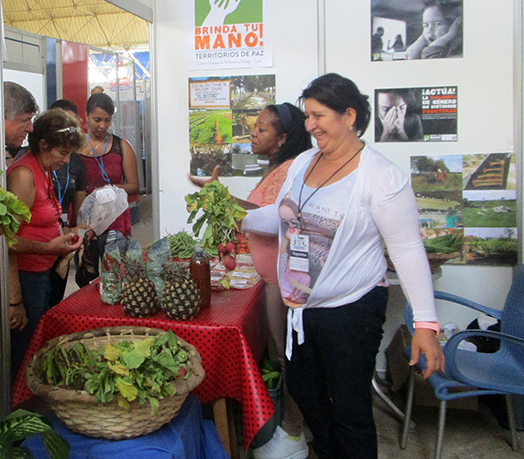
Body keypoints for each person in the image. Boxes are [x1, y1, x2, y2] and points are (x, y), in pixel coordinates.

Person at [240, 73, 444, 459]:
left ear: (349, 116)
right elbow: (281, 219)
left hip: (350, 311)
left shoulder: (381, 176)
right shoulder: (301, 163)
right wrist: (237, 215)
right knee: (306, 394)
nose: (309, 125)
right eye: (307, 116)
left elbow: (407, 250)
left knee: (350, 411)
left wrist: (428, 327)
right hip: (300, 310)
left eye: (318, 116)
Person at [190, 103, 312, 459]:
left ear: (283, 138)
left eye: (261, 129)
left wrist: (220, 198)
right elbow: (256, 212)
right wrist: (220, 195)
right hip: (269, 278)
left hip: (281, 279)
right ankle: (285, 427)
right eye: (254, 127)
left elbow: (270, 220)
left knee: (290, 358)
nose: (253, 134)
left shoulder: (289, 170)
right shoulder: (275, 167)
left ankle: (293, 433)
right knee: (278, 353)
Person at [6, 108, 84, 376]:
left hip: (41, 271)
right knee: (26, 347)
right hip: (28, 276)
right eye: (62, 153)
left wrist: (65, 235)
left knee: (37, 343)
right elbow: (5, 241)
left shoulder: (43, 168)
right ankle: (19, 407)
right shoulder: (23, 175)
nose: (66, 160)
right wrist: (47, 248)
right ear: (43, 145)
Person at [77, 92, 140, 286]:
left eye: (107, 120)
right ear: (85, 116)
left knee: (114, 275)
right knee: (85, 276)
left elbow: (134, 185)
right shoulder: (75, 147)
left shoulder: (122, 147)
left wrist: (108, 190)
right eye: (97, 120)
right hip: (85, 222)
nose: (102, 126)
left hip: (114, 223)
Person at [47, 99, 88, 306]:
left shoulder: (77, 163)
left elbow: (80, 209)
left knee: (56, 296)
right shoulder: (33, 159)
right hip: (40, 240)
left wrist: (77, 232)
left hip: (64, 234)